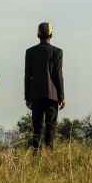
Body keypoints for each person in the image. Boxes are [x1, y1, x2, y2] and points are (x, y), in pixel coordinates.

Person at [24, 22, 64, 150]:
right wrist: (61, 97)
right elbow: (58, 76)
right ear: (51, 35)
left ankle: (36, 154)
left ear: (38, 35)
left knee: (37, 128)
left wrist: (27, 97)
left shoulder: (30, 52)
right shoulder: (57, 52)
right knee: (50, 127)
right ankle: (49, 154)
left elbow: (27, 76)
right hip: (52, 96)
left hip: (35, 95)